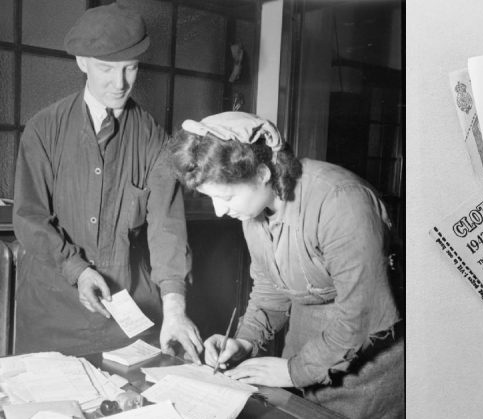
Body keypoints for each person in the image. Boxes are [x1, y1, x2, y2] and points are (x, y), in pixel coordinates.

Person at [169, 112, 404, 418]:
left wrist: (295, 371)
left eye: (224, 196)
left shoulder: (341, 202)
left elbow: (359, 317)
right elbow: (270, 289)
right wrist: (244, 341)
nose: (219, 212)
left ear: (262, 173)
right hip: (306, 350)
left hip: (368, 366)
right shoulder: (252, 209)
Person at [12, 3, 202, 361]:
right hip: (51, 311)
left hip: (124, 318)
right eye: (106, 69)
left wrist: (174, 309)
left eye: (130, 68)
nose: (120, 83)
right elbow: (29, 217)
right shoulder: (43, 129)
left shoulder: (152, 138)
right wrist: (77, 270)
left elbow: (168, 229)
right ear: (82, 62)